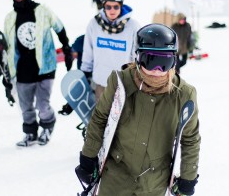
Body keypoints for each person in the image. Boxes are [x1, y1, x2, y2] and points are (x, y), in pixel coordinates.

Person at [75, 23, 201, 196]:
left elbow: (190, 139)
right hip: (116, 176)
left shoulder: (184, 94)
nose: (157, 71)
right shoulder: (119, 83)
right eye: (151, 61)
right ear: (138, 58)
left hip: (154, 182)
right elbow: (99, 119)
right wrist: (88, 156)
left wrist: (188, 178)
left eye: (164, 62)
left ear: (174, 61)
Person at [1, 0, 73, 147]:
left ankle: (48, 125)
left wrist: (67, 48)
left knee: (42, 103)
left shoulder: (42, 11)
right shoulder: (10, 18)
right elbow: (7, 45)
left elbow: (59, 27)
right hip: (22, 68)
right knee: (25, 106)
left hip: (45, 66)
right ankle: (30, 133)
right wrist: (4, 67)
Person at [80, 0, 140, 102]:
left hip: (123, 85)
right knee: (101, 119)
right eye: (108, 6)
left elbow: (136, 56)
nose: (112, 10)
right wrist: (85, 73)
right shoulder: (94, 24)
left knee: (122, 119)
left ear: (121, 5)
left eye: (116, 6)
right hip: (101, 83)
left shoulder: (133, 26)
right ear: (103, 5)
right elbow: (88, 51)